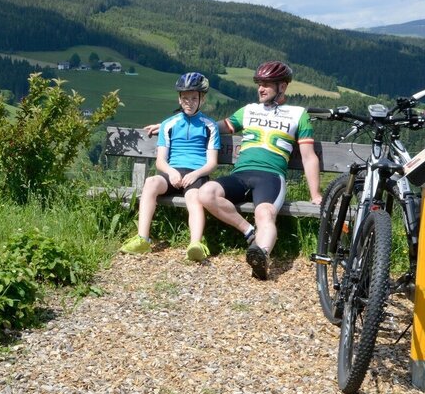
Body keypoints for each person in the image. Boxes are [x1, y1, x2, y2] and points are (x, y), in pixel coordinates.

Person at [195, 60, 322, 280]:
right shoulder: (249, 110)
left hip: (270, 177)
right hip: (240, 175)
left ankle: (261, 255)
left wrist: (315, 194)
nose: (260, 89)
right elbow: (213, 127)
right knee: (206, 193)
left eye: (266, 84)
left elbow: (309, 157)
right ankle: (250, 232)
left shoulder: (298, 114)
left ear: (282, 86)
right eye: (259, 84)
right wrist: (173, 125)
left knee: (265, 214)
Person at [120, 72, 220, 261]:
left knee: (193, 197)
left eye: (194, 98)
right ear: (179, 99)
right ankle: (142, 239)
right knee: (151, 182)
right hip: (172, 172)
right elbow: (160, 161)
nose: (189, 102)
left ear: (202, 99)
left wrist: (196, 174)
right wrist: (171, 172)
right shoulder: (169, 124)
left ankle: (195, 244)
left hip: (197, 173)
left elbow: (212, 163)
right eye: (185, 98)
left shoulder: (210, 126)